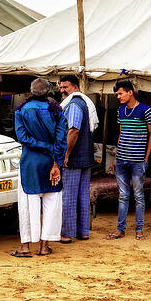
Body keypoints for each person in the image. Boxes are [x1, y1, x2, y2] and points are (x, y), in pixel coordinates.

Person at [13, 78, 67, 257]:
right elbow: (61, 139)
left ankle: (26, 247)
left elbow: (23, 138)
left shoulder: (21, 110)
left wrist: (46, 147)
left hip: (30, 163)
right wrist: (56, 162)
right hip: (51, 163)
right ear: (49, 91)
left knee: (28, 204)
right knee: (52, 202)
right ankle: (44, 246)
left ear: (30, 90)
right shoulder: (56, 110)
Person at [106, 80, 151, 241]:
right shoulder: (121, 110)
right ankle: (120, 230)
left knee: (139, 196)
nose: (118, 97)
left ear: (130, 92)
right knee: (123, 195)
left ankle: (139, 230)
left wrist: (146, 157)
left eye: (120, 93)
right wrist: (116, 157)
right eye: (117, 94)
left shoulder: (145, 110)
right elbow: (121, 134)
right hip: (121, 160)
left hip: (138, 161)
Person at [58, 74, 97, 243]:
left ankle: (67, 234)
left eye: (65, 87)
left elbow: (73, 130)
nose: (62, 91)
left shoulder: (73, 105)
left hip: (73, 159)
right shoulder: (84, 102)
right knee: (82, 195)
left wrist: (65, 155)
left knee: (69, 197)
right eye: (60, 87)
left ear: (75, 87)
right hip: (86, 157)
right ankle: (83, 232)